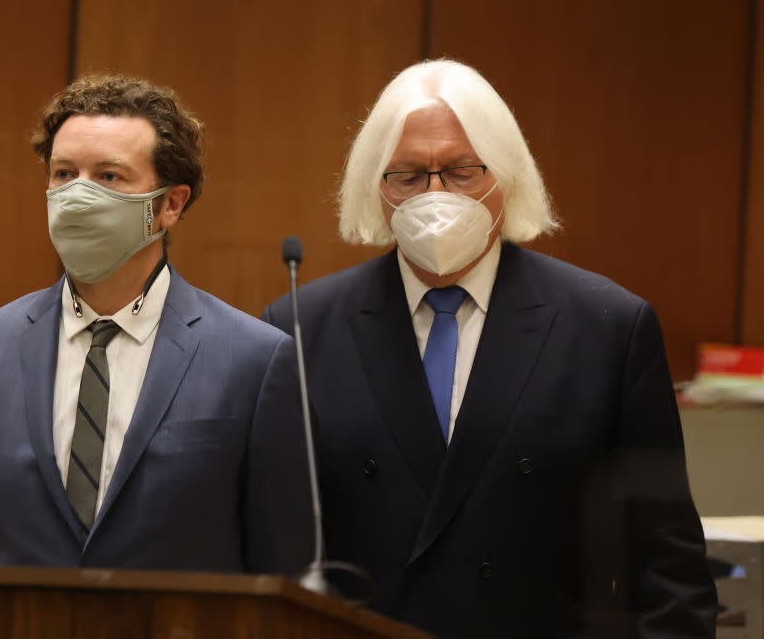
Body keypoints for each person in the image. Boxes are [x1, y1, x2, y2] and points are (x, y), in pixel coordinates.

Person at [263, 59, 718, 637]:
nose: (434, 196)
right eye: (407, 175)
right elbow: (273, 545)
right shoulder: (302, 325)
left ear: (505, 175)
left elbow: (667, 565)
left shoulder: (606, 327)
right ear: (373, 189)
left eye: (459, 171)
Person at [0, 75, 312, 575]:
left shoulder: (254, 360)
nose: (78, 195)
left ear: (170, 204)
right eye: (64, 174)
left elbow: (277, 565)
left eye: (108, 176)